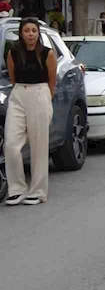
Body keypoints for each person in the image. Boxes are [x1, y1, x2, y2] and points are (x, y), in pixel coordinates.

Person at [4, 18, 57, 206]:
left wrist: (45, 99)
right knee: (11, 144)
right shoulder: (13, 53)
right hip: (19, 93)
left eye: (34, 30)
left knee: (39, 145)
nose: (30, 34)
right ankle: (17, 189)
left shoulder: (47, 54)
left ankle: (38, 191)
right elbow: (12, 76)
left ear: (38, 33)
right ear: (21, 33)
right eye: (26, 30)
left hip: (40, 93)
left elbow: (52, 81)